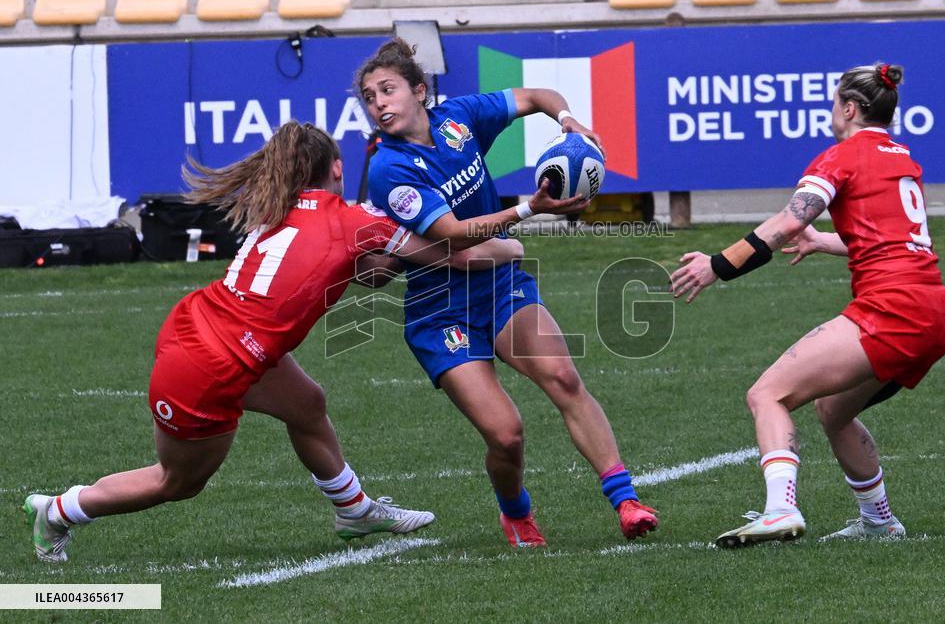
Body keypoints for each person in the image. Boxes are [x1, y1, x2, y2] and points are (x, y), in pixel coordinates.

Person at [23, 121, 527, 563]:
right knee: (177, 481)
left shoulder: (277, 207)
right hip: (213, 366)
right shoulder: (354, 221)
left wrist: (376, 257)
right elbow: (457, 253)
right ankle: (58, 511)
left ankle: (353, 510)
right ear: (335, 167)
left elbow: (353, 270)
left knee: (307, 404)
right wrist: (520, 227)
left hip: (203, 329)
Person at [354, 38, 658, 548]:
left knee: (562, 377)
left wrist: (570, 124)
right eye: (369, 97)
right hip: (439, 311)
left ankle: (626, 501)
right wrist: (527, 211)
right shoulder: (389, 168)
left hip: (497, 285)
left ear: (419, 92)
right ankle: (515, 512)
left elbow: (539, 94)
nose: (379, 103)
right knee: (506, 433)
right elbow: (453, 234)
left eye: (388, 90)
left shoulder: (458, 119)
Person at [670, 63, 945, 547]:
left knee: (768, 395)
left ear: (849, 108)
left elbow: (785, 222)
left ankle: (780, 510)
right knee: (832, 409)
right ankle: (879, 522)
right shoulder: (902, 156)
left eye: (832, 104)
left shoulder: (841, 157)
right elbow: (896, 240)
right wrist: (824, 243)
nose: (830, 112)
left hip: (893, 311)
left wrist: (716, 265)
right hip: (933, 311)